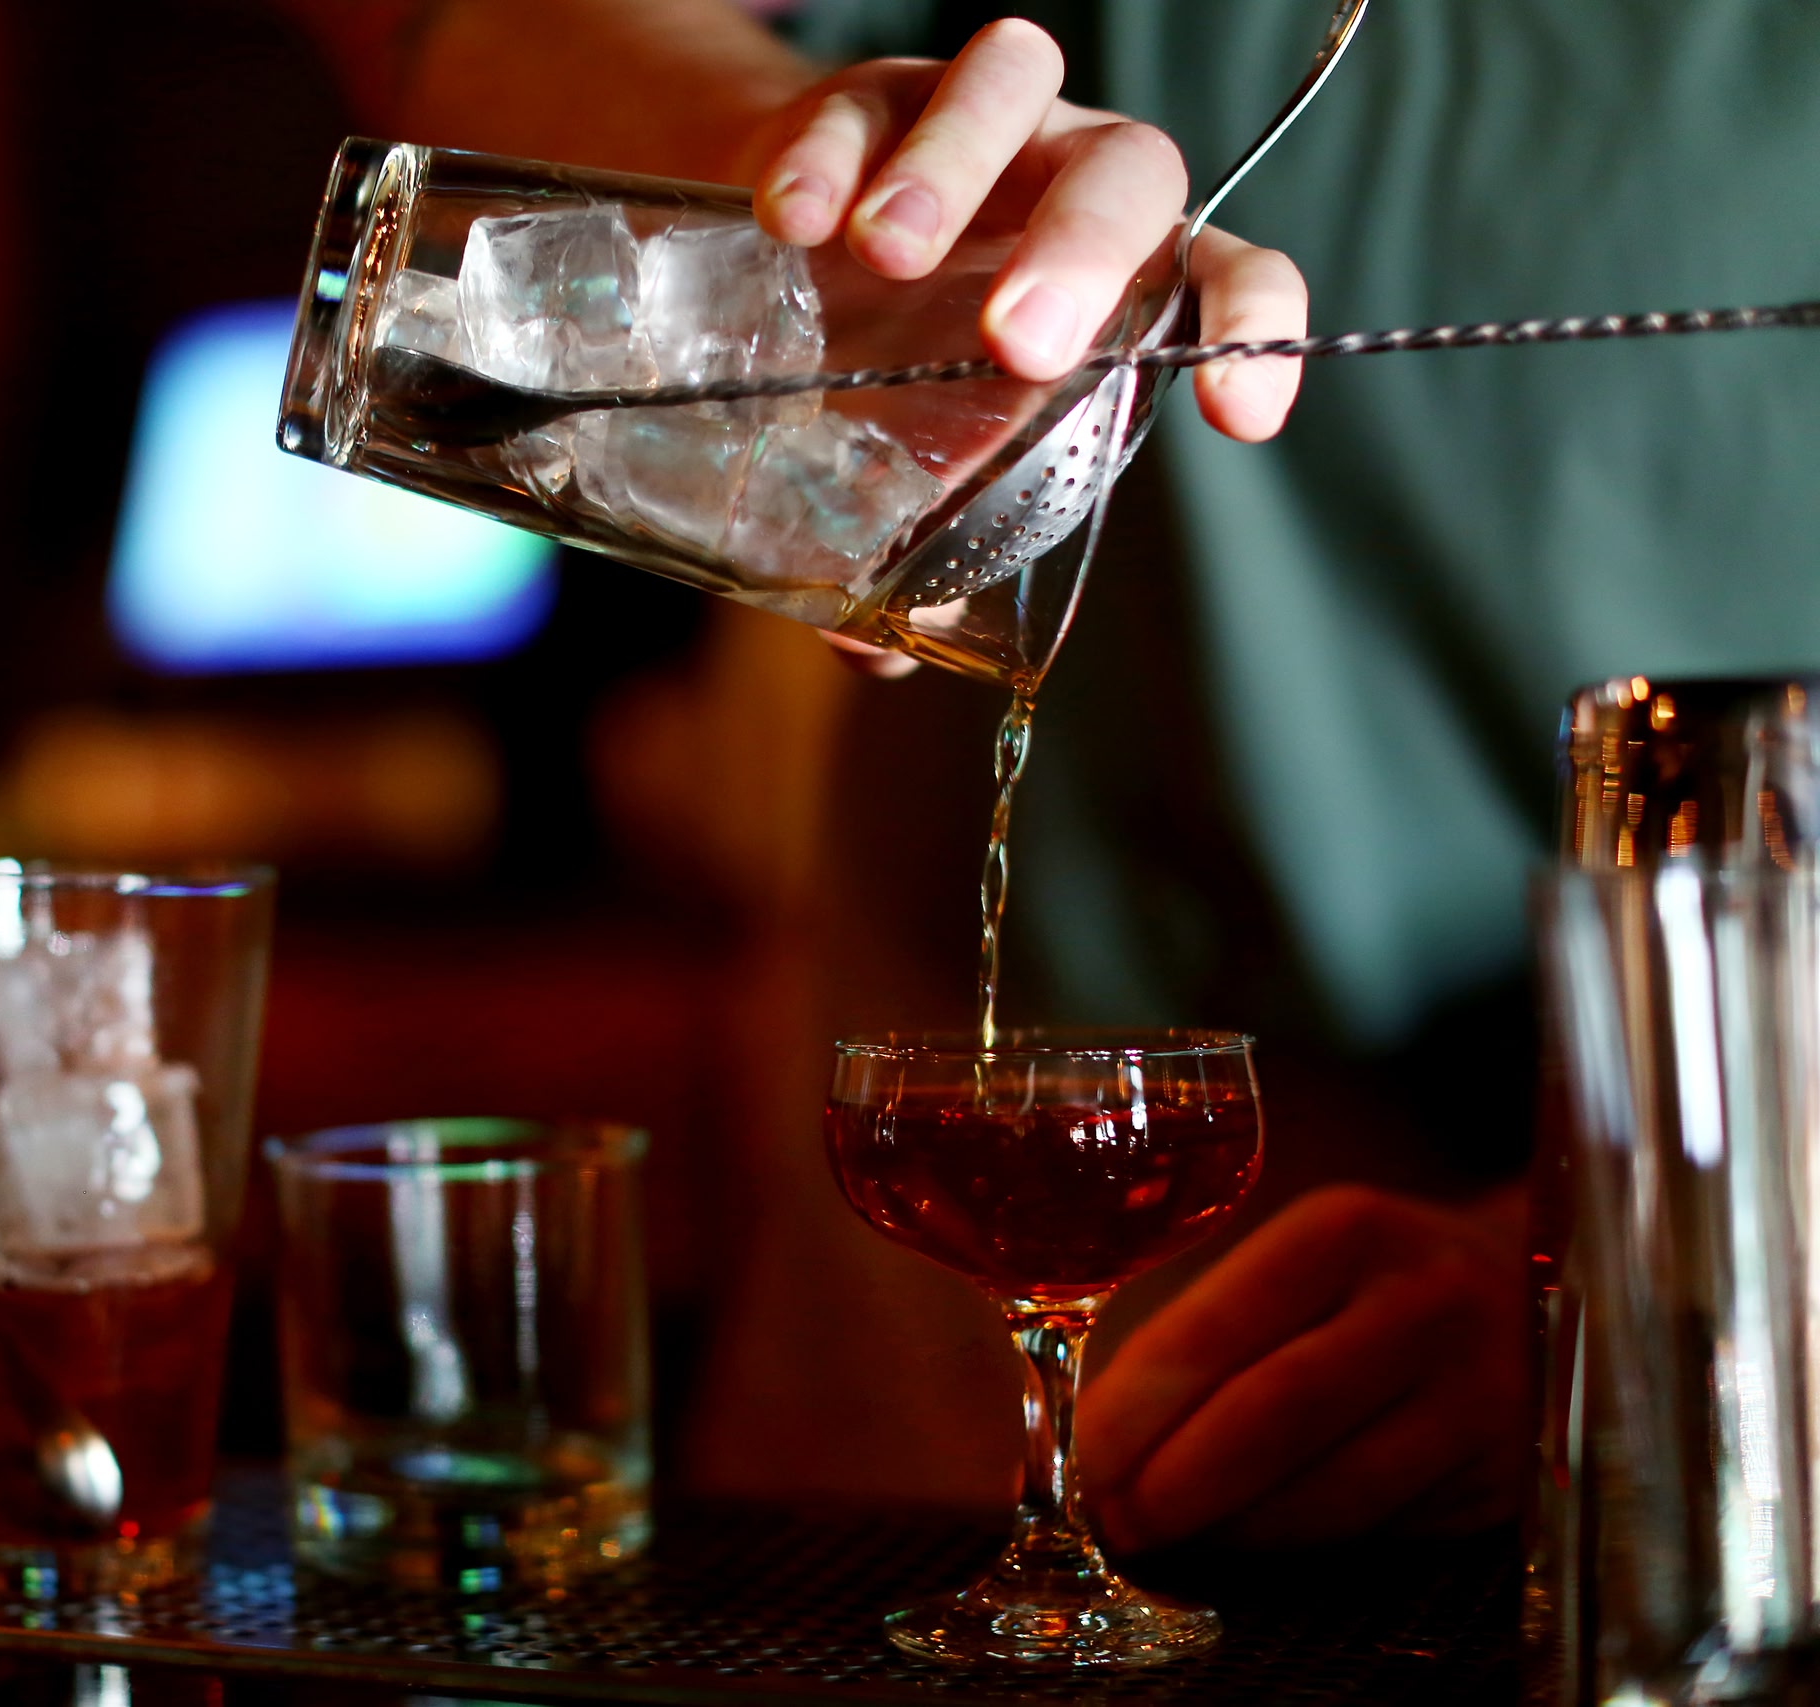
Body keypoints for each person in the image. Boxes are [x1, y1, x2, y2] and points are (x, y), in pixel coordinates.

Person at [274, 0, 1820, 1551]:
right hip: (909, 1373)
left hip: (1699, 1348)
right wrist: (763, 171)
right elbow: (454, 27)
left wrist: (1665, 1254)